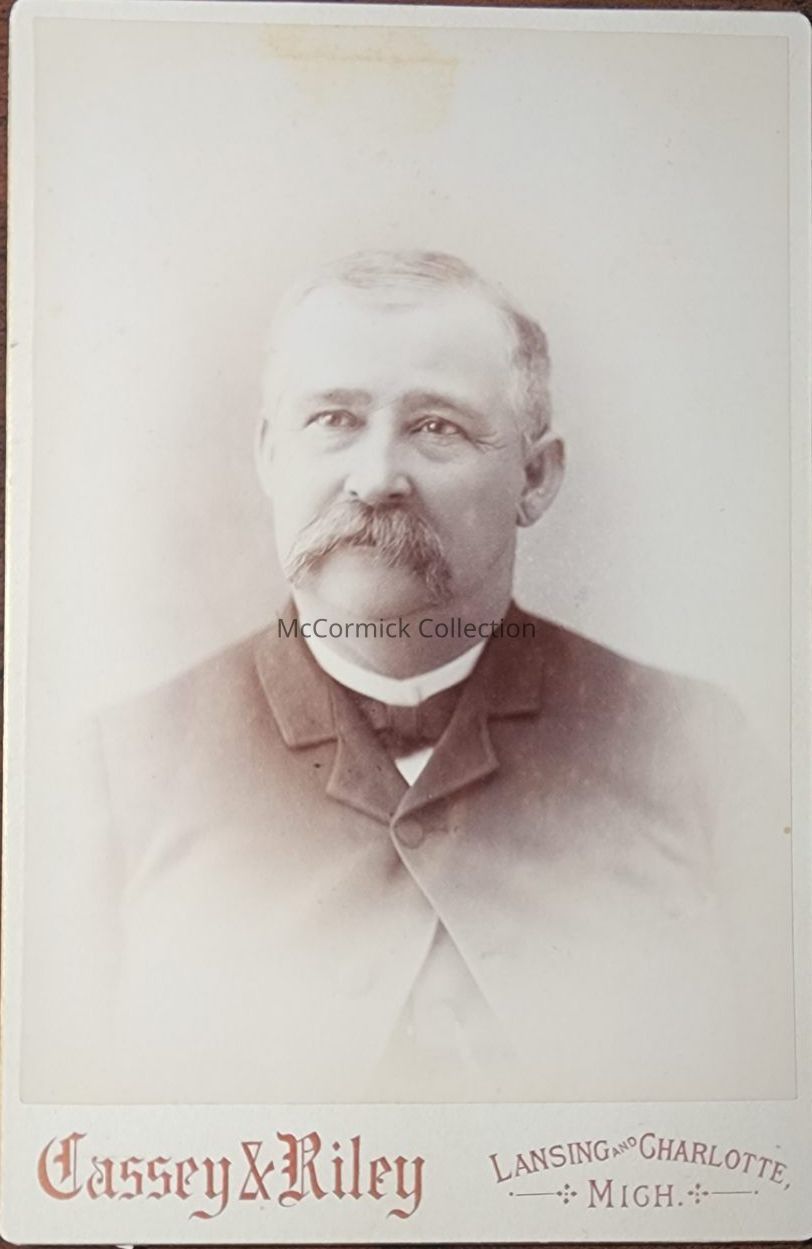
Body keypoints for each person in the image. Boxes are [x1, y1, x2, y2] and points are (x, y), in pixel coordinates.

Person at [75, 251, 793, 1103]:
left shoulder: (694, 745)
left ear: (535, 477)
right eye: (334, 419)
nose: (377, 478)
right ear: (269, 454)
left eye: (437, 426)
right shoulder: (115, 769)